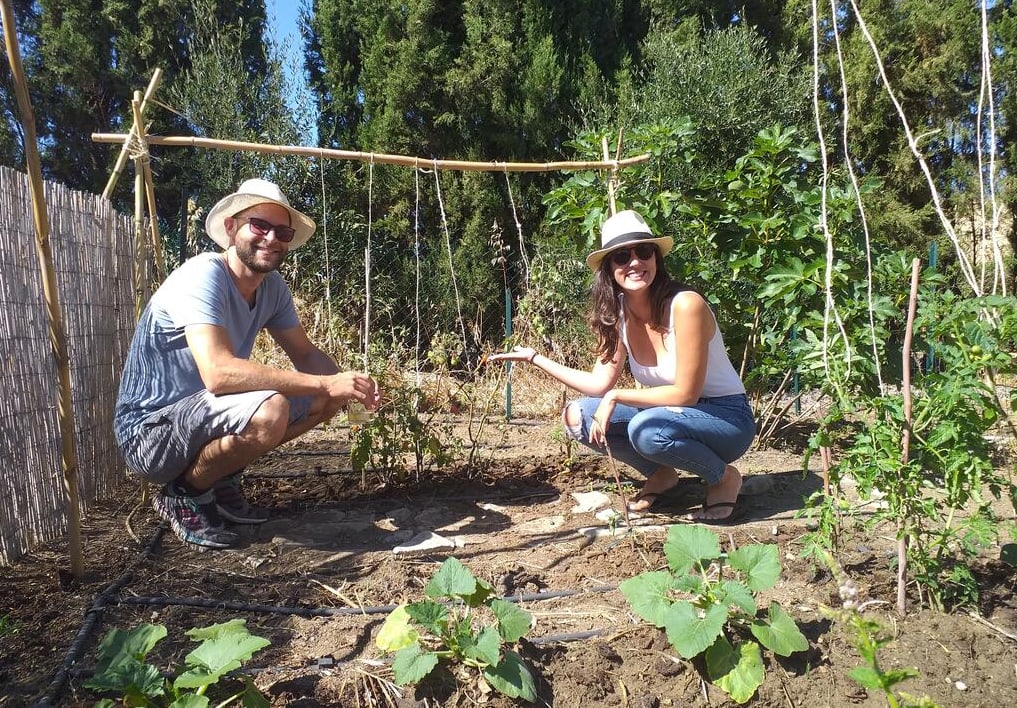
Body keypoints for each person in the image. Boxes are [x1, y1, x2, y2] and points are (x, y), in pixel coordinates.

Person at [114, 178, 379, 549]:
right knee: (271, 410)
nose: (271, 238)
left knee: (327, 398)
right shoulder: (203, 274)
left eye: (282, 232)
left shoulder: (271, 288)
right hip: (149, 433)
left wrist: (349, 385)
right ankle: (184, 492)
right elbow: (218, 373)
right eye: (259, 225)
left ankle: (218, 478)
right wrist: (323, 382)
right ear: (230, 228)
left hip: (203, 418)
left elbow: (305, 353)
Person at [487, 209, 755, 522]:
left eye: (644, 251)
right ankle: (661, 475)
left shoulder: (686, 305)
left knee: (646, 429)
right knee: (578, 417)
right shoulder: (619, 314)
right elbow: (599, 384)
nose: (635, 262)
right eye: (622, 256)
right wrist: (535, 358)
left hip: (726, 419)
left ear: (656, 258)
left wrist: (616, 397)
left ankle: (723, 477)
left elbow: (686, 394)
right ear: (609, 268)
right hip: (670, 416)